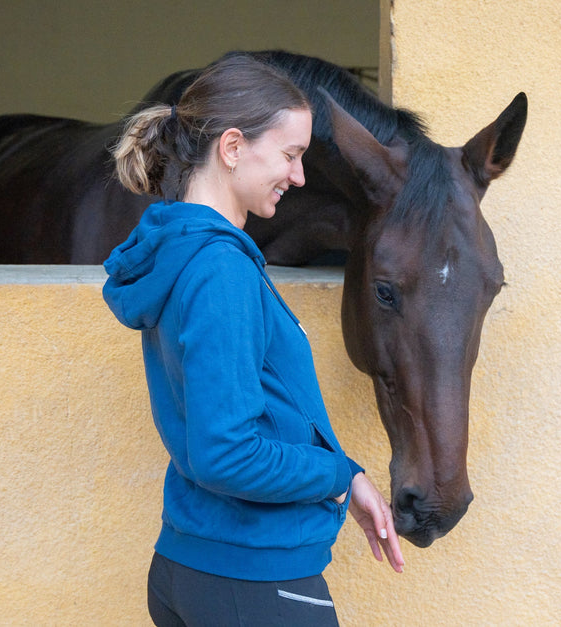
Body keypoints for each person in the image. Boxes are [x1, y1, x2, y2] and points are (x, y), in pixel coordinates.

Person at [102, 54, 404, 627]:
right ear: (233, 147)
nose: (300, 176)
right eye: (290, 155)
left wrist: (349, 473)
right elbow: (228, 453)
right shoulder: (220, 270)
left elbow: (235, 428)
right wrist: (340, 476)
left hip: (198, 565)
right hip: (255, 583)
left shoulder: (185, 252)